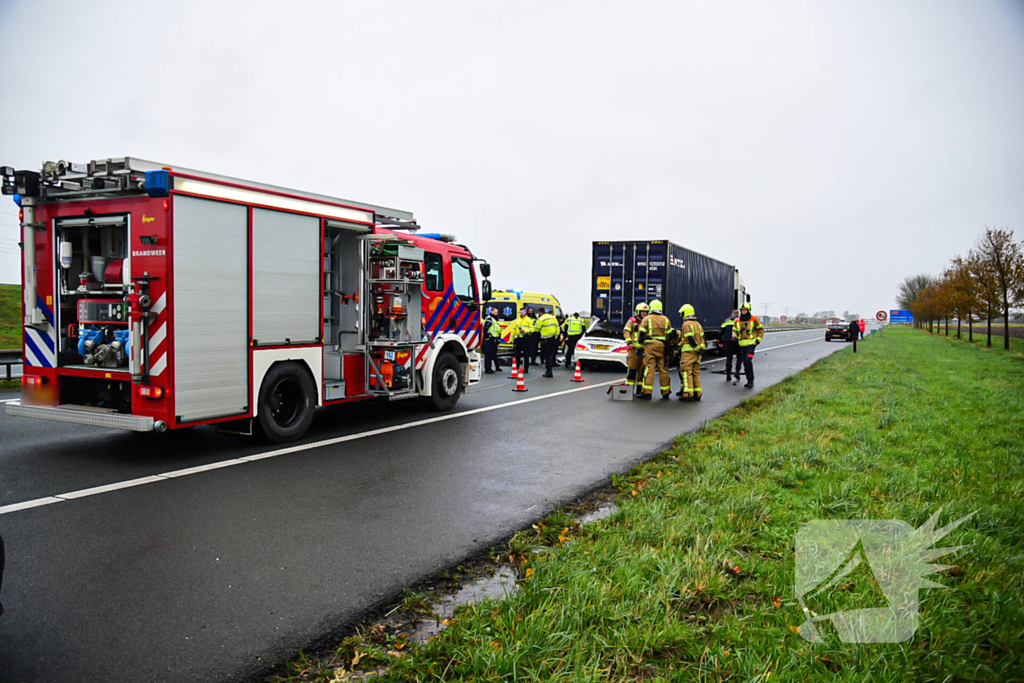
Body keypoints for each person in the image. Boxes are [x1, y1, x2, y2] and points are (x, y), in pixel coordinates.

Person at [637, 299, 673, 400]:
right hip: (662, 346)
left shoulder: (647, 319)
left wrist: (640, 347)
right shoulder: (666, 319)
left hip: (650, 345)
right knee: (663, 369)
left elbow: (641, 336)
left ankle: (647, 392)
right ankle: (666, 392)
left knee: (649, 368)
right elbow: (670, 335)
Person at [678, 303, 705, 401]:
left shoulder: (686, 324)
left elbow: (690, 338)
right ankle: (698, 393)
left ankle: (688, 394)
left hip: (688, 354)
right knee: (696, 373)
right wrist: (701, 349)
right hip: (697, 355)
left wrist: (696, 348)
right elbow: (702, 338)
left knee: (686, 373)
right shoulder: (698, 324)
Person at [734, 302, 763, 388]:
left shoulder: (754, 319)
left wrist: (758, 340)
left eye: (745, 310)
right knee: (745, 363)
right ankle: (749, 381)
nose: (743, 311)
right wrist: (734, 336)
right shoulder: (737, 320)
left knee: (747, 360)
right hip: (742, 345)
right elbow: (734, 330)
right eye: (742, 310)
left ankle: (750, 380)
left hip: (751, 345)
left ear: (748, 310)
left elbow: (760, 330)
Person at [624, 302, 648, 390]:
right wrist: (629, 342)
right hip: (634, 349)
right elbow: (626, 331)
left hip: (644, 349)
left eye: (646, 312)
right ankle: (629, 389)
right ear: (638, 312)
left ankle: (639, 389)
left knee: (642, 370)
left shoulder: (648, 321)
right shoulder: (632, 321)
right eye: (643, 312)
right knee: (632, 369)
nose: (644, 313)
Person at [535, 310, 561, 377]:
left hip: (545, 339)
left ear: (540, 313)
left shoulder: (541, 319)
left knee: (547, 355)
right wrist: (556, 336)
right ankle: (549, 370)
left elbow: (536, 329)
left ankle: (549, 371)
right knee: (550, 354)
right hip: (552, 338)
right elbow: (558, 328)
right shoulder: (553, 318)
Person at [513, 308, 534, 373]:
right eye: (520, 312)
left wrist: (525, 331)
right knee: (517, 354)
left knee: (526, 354)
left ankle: (526, 368)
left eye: (522, 312)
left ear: (525, 312)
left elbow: (532, 329)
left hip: (526, 339)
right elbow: (513, 330)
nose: (521, 314)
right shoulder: (517, 321)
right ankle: (517, 367)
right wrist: (511, 339)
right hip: (518, 339)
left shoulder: (529, 320)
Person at [721, 309, 739, 381]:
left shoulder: (727, 321)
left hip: (728, 341)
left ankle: (728, 374)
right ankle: (737, 371)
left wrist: (720, 340)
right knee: (739, 357)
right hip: (737, 341)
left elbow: (721, 330)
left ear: (732, 314)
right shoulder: (739, 321)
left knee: (729, 358)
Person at [482, 307, 501, 374]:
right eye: (495, 312)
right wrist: (486, 336)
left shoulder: (494, 320)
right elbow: (485, 328)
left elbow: (498, 330)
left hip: (493, 339)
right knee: (488, 355)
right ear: (492, 312)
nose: (497, 313)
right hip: (489, 339)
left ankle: (497, 367)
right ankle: (488, 369)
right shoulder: (489, 319)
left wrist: (498, 338)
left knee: (494, 354)